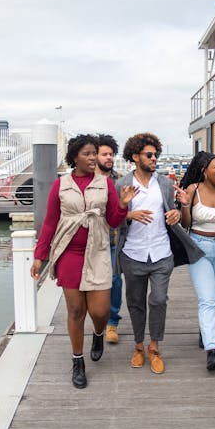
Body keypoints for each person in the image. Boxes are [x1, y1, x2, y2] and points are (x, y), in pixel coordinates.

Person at [31, 134, 137, 389]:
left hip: (99, 250)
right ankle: (77, 361)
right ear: (75, 156)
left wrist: (122, 205)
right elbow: (49, 222)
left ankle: (98, 334)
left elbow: (112, 220)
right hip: (69, 252)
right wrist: (39, 256)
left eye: (94, 154)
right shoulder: (61, 185)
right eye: (88, 154)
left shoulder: (105, 184)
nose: (92, 159)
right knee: (76, 311)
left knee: (99, 312)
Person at [114, 132, 204, 374]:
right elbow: (112, 220)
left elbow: (174, 215)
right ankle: (138, 346)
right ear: (135, 156)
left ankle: (154, 347)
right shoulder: (122, 184)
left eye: (156, 155)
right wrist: (128, 213)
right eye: (150, 155)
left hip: (162, 253)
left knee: (158, 299)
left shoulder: (164, 183)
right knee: (135, 303)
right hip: (133, 254)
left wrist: (177, 212)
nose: (154, 159)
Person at [177, 151, 215, 371]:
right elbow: (185, 224)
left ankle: (205, 329)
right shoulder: (193, 190)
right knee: (207, 299)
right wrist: (184, 205)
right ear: (204, 171)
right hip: (198, 247)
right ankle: (212, 349)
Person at [95, 134, 124, 345]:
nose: (109, 158)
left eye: (111, 154)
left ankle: (112, 322)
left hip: (113, 240)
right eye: (105, 154)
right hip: (89, 243)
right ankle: (97, 320)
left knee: (114, 281)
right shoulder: (85, 180)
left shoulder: (119, 180)